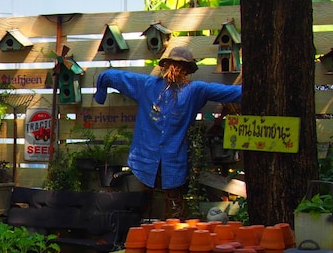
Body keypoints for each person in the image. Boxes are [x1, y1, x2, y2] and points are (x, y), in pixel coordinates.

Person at [93, 46, 241, 219]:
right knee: (149, 205)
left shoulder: (193, 90)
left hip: (170, 163)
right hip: (147, 160)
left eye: (179, 67)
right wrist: (100, 94)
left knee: (169, 207)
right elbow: (111, 77)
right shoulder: (150, 85)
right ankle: (149, 227)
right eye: (174, 66)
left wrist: (100, 95)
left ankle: (161, 227)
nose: (175, 70)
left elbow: (109, 76)